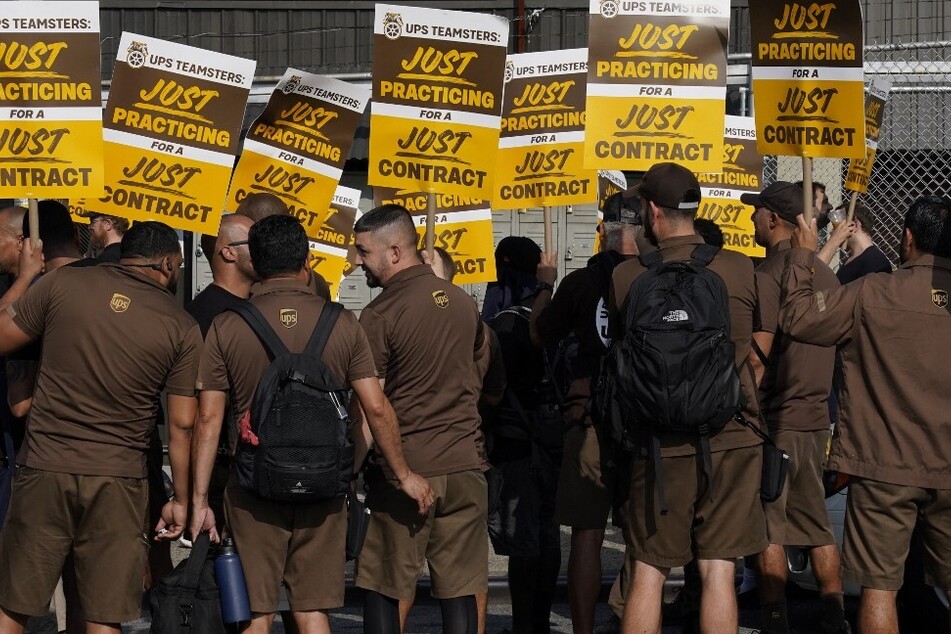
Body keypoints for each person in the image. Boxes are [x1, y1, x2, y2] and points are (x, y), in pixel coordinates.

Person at [190, 214, 432, 634]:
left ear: (257, 264)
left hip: (253, 488)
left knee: (256, 612)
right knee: (312, 609)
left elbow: (209, 417)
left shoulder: (228, 327)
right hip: (323, 488)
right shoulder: (343, 323)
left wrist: (197, 499)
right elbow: (375, 408)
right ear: (307, 262)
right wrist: (402, 473)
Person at [0, 221, 200, 634]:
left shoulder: (61, 285)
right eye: (178, 265)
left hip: (44, 468)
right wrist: (181, 499)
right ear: (166, 263)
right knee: (103, 613)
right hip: (118, 479)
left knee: (13, 605)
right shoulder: (181, 326)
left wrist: (24, 279)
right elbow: (181, 425)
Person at [608, 162, 767, 633]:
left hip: (657, 445)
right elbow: (753, 350)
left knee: (649, 570)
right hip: (731, 435)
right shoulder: (740, 269)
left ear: (654, 211)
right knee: (718, 568)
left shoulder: (625, 277)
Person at [781, 196, 951, 634]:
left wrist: (804, 254)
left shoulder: (872, 292)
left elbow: (798, 318)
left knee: (879, 589)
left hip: (883, 467)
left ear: (908, 237)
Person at [352, 204, 488, 634]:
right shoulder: (466, 304)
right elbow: (481, 378)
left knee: (383, 585)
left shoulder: (379, 315)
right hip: (466, 466)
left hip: (408, 471)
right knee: (460, 589)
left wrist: (351, 471)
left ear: (394, 252)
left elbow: (370, 407)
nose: (356, 261)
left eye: (363, 251)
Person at [529, 192, 642, 634]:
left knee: (587, 536)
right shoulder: (655, 277)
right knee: (643, 539)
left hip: (589, 418)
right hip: (643, 420)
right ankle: (636, 618)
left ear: (603, 231)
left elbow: (539, 335)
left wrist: (545, 281)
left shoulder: (580, 282)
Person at [742, 182, 847, 634]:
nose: (751, 220)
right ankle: (834, 616)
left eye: (757, 212)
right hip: (815, 422)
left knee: (771, 528)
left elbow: (755, 359)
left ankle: (775, 621)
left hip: (775, 424)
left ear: (773, 220)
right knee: (817, 525)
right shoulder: (827, 276)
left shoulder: (766, 276)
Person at [187, 213, 257, 337]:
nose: (264, 248)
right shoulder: (204, 316)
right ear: (229, 253)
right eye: (255, 241)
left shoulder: (262, 301)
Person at [827, 202, 893, 284]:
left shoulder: (875, 262)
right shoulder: (851, 261)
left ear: (854, 225)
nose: (832, 232)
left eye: (837, 227)